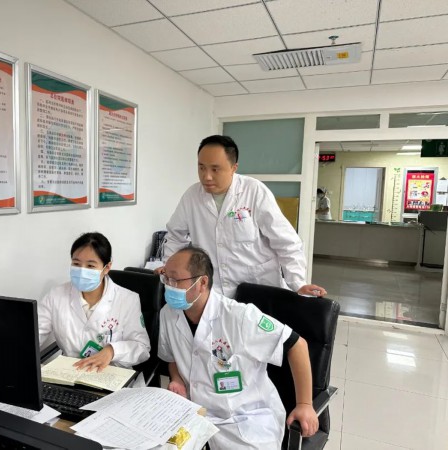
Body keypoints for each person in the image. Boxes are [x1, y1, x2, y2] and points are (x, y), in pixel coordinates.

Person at [158, 247, 318, 450]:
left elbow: (296, 344)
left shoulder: (240, 317)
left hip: (245, 420)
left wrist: (305, 405)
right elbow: (171, 356)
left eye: (175, 280)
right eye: (165, 278)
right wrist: (177, 378)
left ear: (202, 283)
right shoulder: (168, 313)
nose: (168, 286)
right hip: (195, 413)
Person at [161, 135, 326, 298]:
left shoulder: (254, 191)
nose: (207, 176)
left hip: (259, 290)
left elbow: (286, 242)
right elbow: (175, 236)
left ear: (234, 168)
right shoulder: (191, 196)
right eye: (201, 168)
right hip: (215, 293)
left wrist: (298, 282)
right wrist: (168, 267)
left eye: (215, 169)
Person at [37, 232, 150, 373]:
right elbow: (34, 334)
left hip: (111, 374)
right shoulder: (56, 296)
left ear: (106, 268)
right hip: (70, 373)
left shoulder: (127, 300)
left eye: (90, 266)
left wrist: (112, 351)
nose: (82, 271)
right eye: (76, 264)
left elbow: (142, 348)